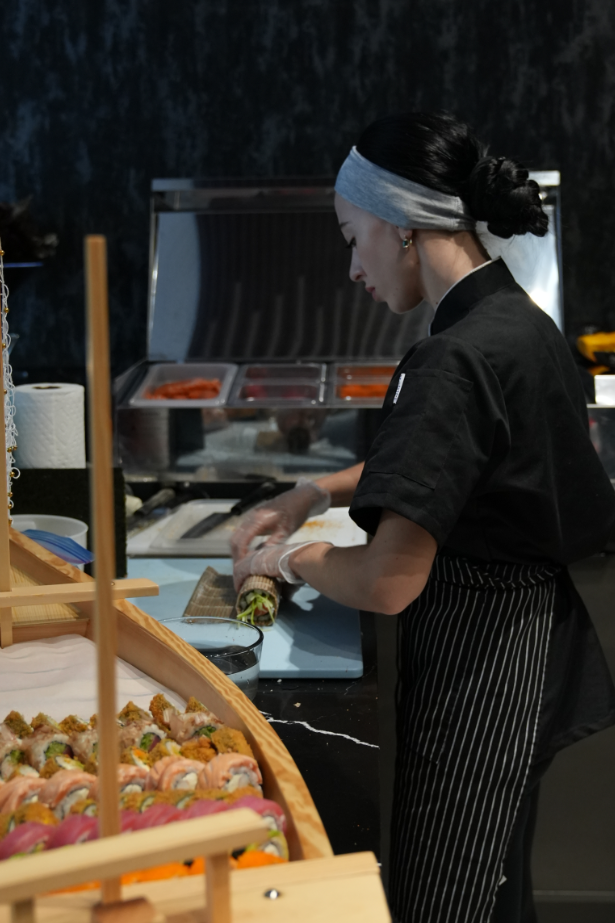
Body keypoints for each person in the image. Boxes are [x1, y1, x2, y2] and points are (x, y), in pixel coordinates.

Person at [231, 111, 615, 923]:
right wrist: (312, 493)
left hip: (482, 671)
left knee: (447, 901)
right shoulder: (516, 321)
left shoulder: (452, 357)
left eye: (351, 237)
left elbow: (387, 580)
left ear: (399, 224)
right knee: (493, 889)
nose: (351, 267)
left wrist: (284, 558)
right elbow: (454, 464)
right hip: (527, 645)